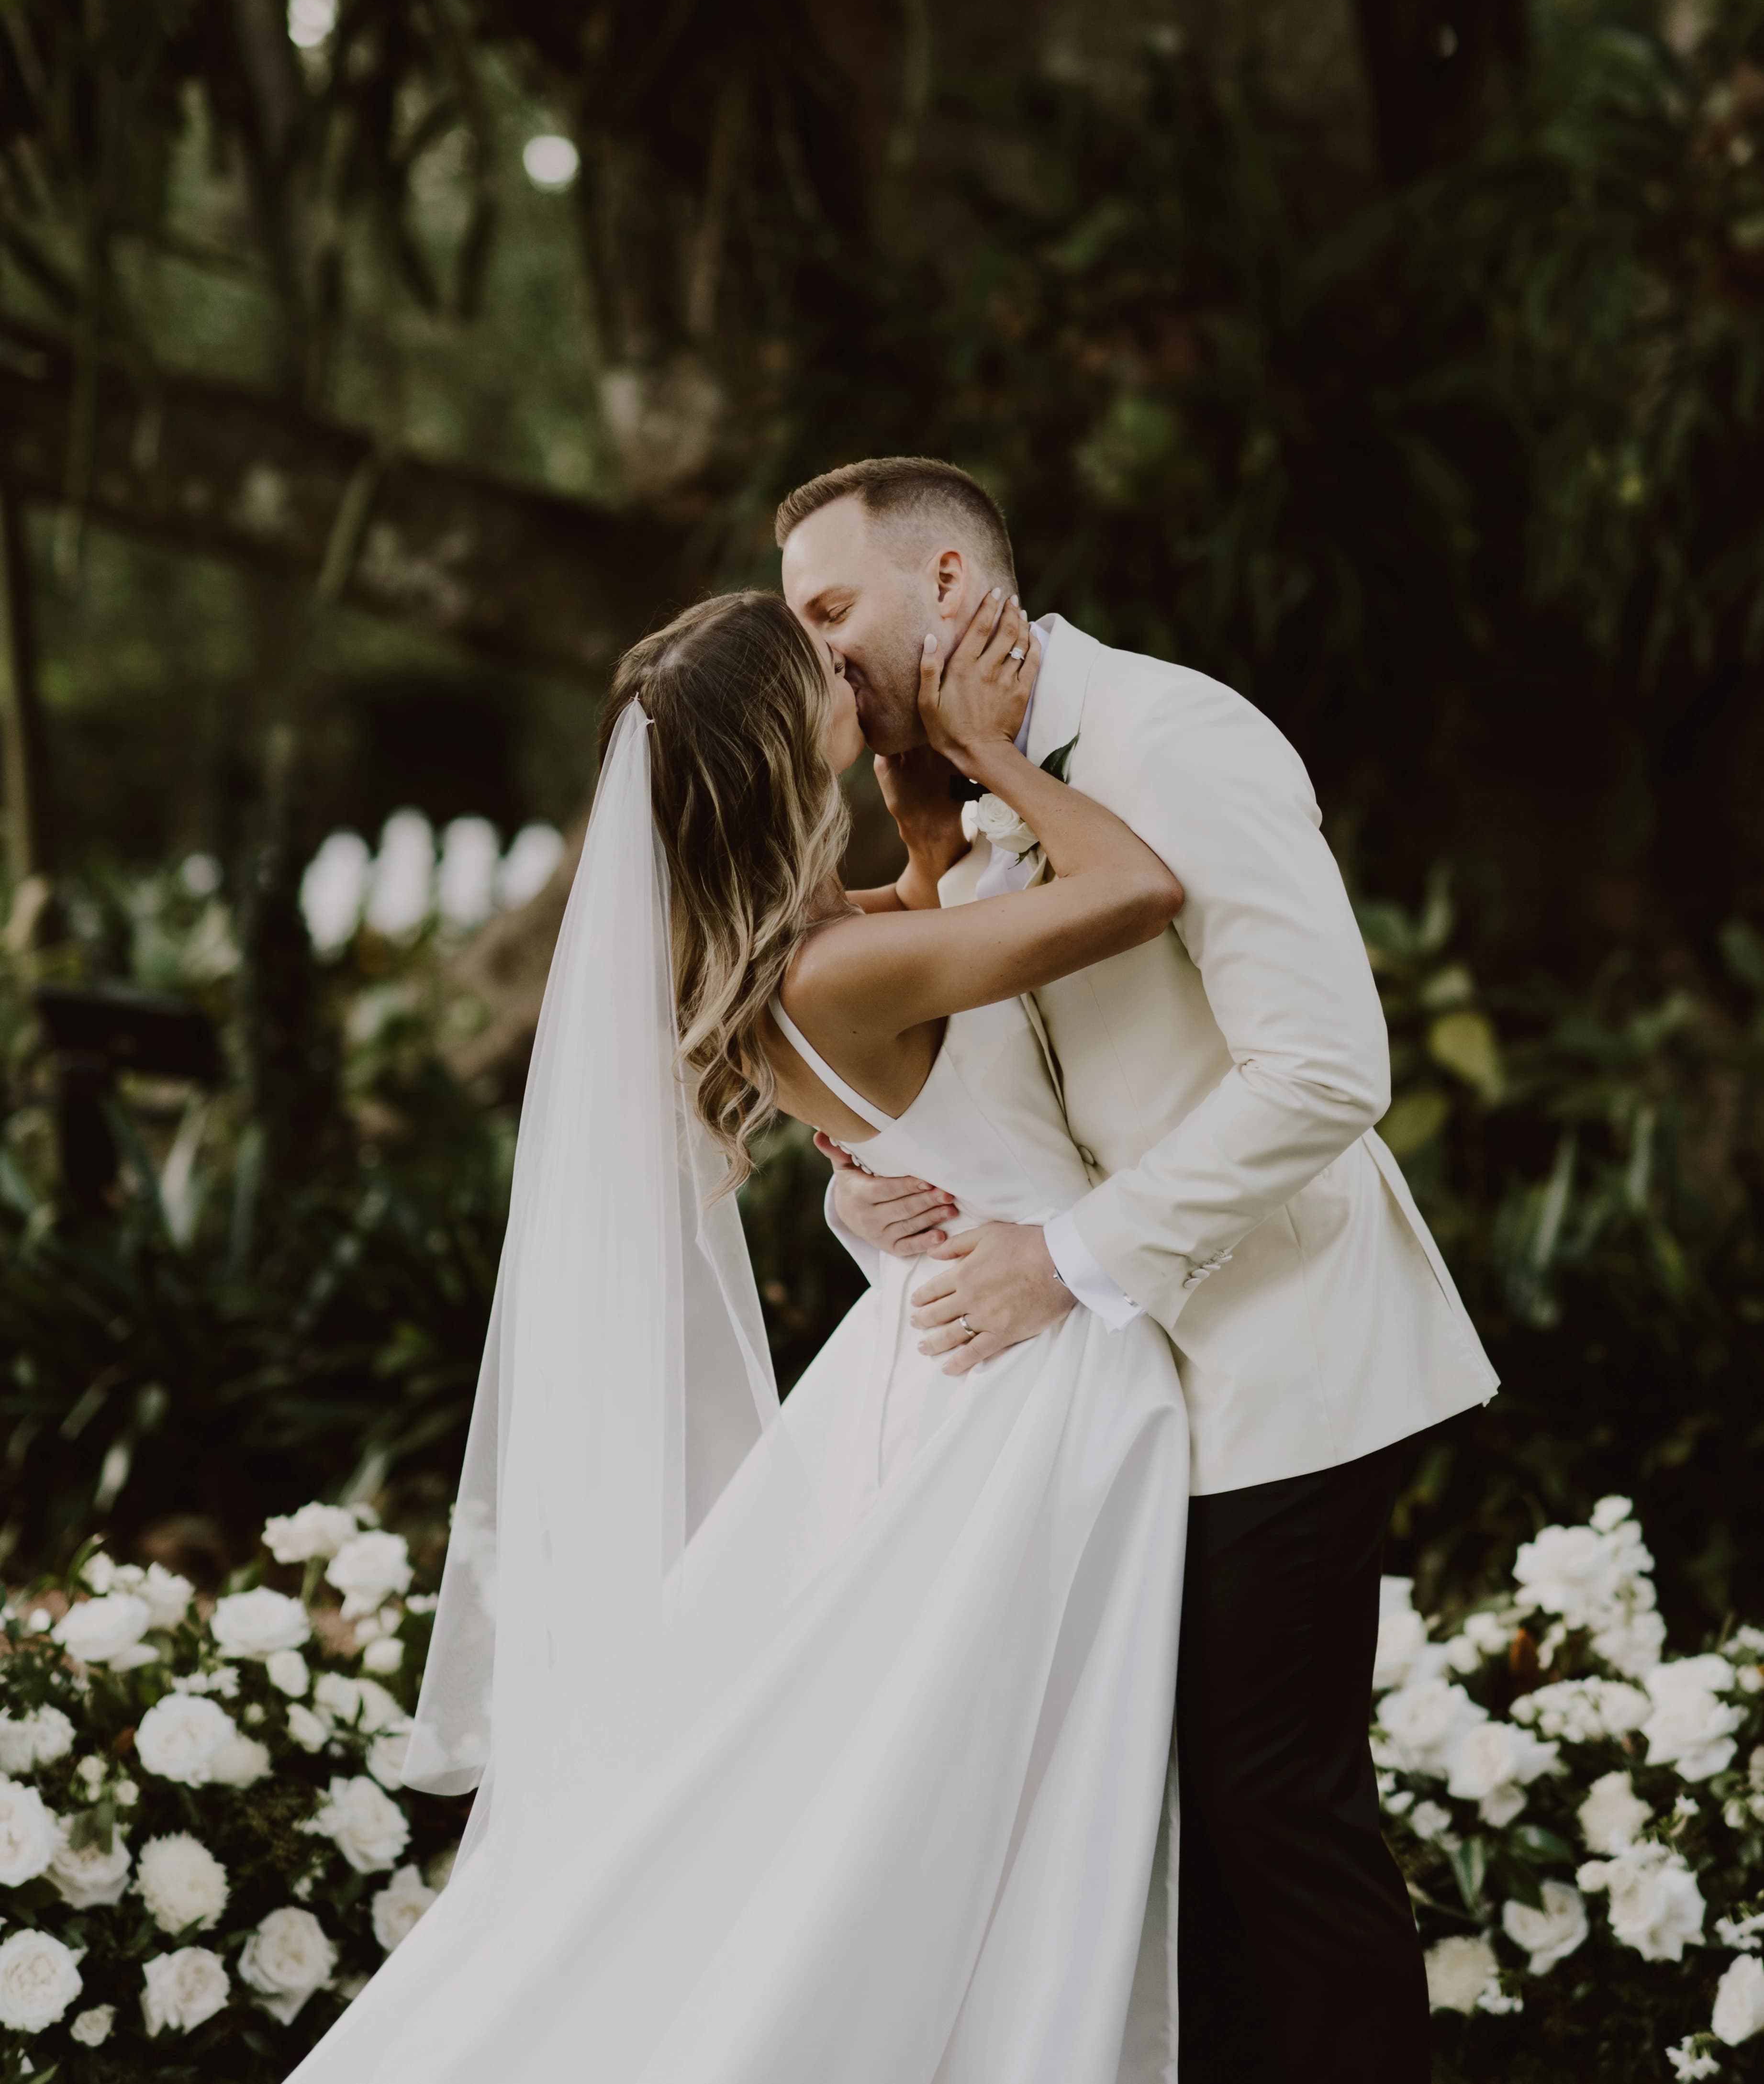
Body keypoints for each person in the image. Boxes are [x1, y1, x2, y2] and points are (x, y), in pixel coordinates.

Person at [289, 584, 1196, 2084]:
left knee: (924, 1779)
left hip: (946, 1345)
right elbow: (1138, 888)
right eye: (827, 669)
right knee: (996, 1791)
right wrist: (997, 753)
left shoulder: (786, 948)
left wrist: (921, 818)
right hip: (1033, 1373)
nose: (857, 669)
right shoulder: (834, 966)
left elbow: (935, 937)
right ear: (790, 735)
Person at [779, 455, 1501, 2084]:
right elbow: (978, 1095)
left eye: (835, 611)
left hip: (1281, 1353)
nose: (816, 655)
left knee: (1273, 1812)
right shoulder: (949, 804)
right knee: (1169, 1829)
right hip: (1108, 1394)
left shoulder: (1181, 737)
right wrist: (875, 1208)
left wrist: (1072, 1259)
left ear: (952, 584)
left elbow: (1326, 1069)